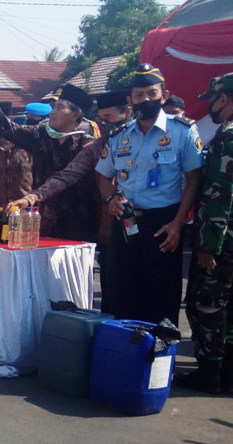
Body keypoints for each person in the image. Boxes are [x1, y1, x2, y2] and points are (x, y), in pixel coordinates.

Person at [95, 64, 204, 326]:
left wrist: (178, 223)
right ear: (131, 99)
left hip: (163, 224)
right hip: (127, 222)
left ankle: (158, 363)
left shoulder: (183, 131)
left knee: (161, 297)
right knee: (122, 293)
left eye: (151, 93)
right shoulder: (120, 136)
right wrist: (110, 198)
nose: (145, 99)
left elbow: (194, 179)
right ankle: (124, 358)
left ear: (163, 95)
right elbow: (101, 174)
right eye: (139, 94)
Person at [9, 91, 132, 312]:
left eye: (111, 119)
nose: (106, 126)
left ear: (128, 114)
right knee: (112, 289)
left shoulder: (146, 139)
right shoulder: (97, 146)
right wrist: (34, 196)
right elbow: (67, 175)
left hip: (153, 222)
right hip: (110, 224)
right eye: (102, 120)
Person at [0, 79, 100, 242]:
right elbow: (10, 130)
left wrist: (33, 196)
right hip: (41, 221)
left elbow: (64, 178)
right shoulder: (40, 136)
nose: (53, 112)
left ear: (76, 114)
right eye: (54, 107)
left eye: (60, 107)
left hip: (76, 223)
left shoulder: (87, 145)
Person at [179, 72, 233, 394]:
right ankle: (228, 374)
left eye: (211, 100)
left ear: (223, 99)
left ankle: (210, 373)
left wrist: (207, 246)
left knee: (206, 304)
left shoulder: (227, 138)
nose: (209, 107)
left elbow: (219, 195)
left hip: (223, 241)